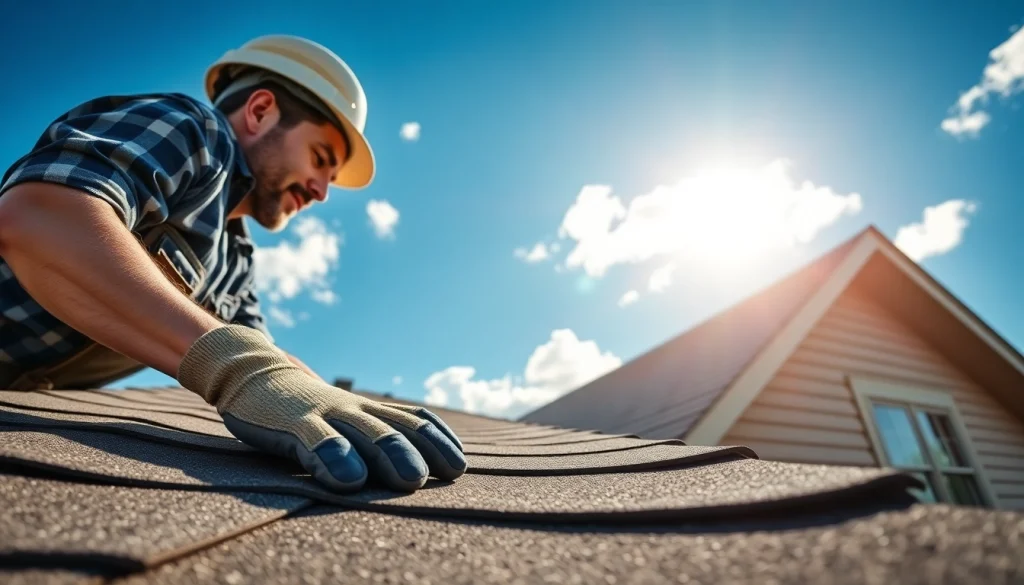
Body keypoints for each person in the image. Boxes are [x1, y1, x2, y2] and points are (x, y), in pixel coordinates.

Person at [0, 34, 467, 493]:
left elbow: (263, 359)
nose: (323, 191)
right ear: (260, 112)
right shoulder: (193, 131)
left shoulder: (235, 260)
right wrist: (236, 368)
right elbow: (40, 217)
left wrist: (326, 399)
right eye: (320, 158)